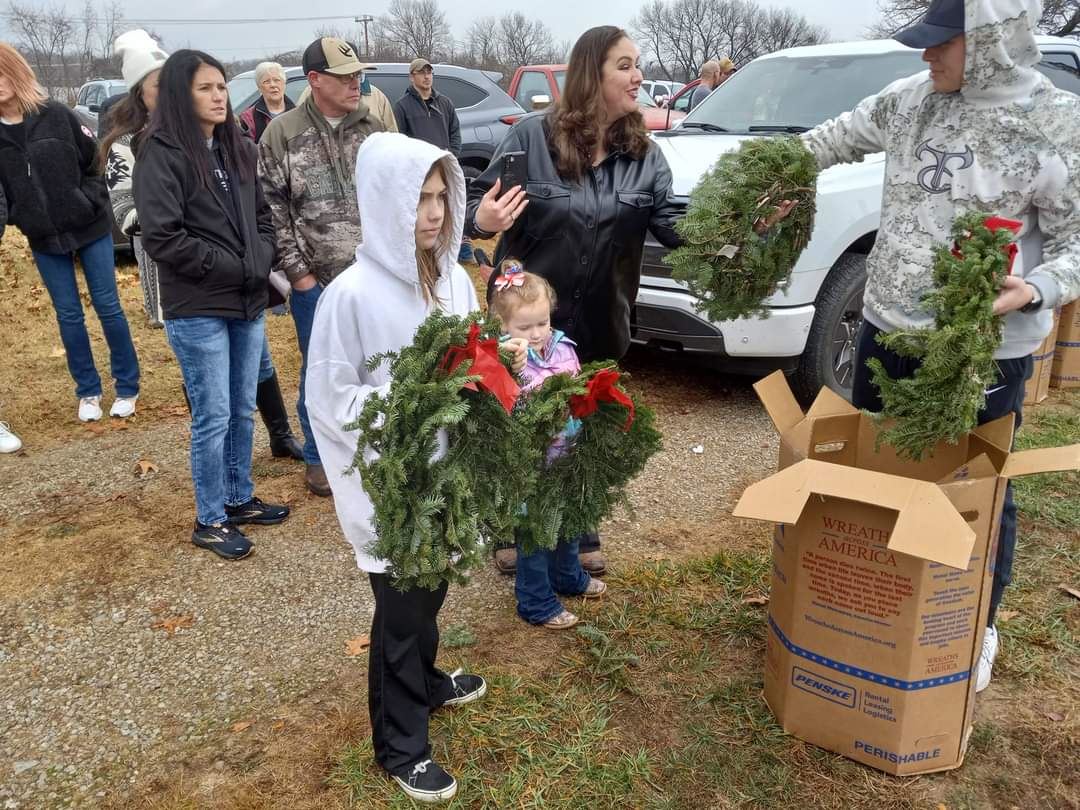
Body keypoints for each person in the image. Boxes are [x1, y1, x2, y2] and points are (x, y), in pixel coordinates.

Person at [784, 0, 1080, 691]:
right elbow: (831, 138)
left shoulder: (1056, 124)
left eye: (942, 44)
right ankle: (880, 607)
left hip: (982, 352)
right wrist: (775, 173)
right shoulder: (910, 101)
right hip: (886, 334)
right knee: (880, 474)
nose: (927, 56)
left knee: (975, 491)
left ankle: (976, 622)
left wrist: (1032, 290)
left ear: (993, 43)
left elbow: (1075, 244)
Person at [306, 132, 493, 804]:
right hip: (388, 486)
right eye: (419, 199)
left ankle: (428, 678)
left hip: (448, 477)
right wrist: (414, 398)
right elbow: (328, 401)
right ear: (386, 203)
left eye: (442, 196)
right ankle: (401, 744)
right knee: (401, 609)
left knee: (431, 589)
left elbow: (475, 356)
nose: (434, 212)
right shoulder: (349, 296)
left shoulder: (455, 279)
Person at [467, 25, 684, 576]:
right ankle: (514, 526)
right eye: (625, 65)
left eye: (638, 64)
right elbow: (476, 198)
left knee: (582, 426)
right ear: (593, 72)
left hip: (600, 319)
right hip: (527, 322)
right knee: (521, 426)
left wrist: (744, 228)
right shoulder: (531, 139)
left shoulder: (646, 157)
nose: (638, 76)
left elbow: (678, 228)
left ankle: (580, 521)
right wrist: (481, 219)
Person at [104, 34, 302, 461]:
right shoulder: (134, 143)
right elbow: (128, 209)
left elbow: (252, 207)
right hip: (179, 271)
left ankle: (279, 434)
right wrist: (170, 213)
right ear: (141, 92)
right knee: (205, 373)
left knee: (258, 358)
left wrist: (247, 252)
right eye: (158, 86)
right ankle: (221, 455)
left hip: (236, 270)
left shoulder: (214, 139)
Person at [134, 49, 290, 561]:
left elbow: (263, 215)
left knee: (243, 406)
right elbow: (164, 237)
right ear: (181, 93)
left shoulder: (236, 145)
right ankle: (210, 517)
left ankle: (238, 496)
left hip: (246, 301)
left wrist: (261, 257)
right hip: (198, 305)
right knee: (213, 413)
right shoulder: (161, 151)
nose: (218, 96)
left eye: (221, 86)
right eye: (205, 88)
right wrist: (235, 267)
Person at [258, 36, 385, 497]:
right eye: (344, 76)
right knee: (322, 368)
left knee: (377, 365)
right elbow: (271, 212)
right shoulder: (282, 134)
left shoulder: (372, 126)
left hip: (373, 278)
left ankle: (373, 447)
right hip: (316, 282)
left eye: (357, 74)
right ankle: (317, 455)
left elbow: (392, 196)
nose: (356, 82)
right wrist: (299, 276)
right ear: (315, 80)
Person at [0, 43, 140, 423]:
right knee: (68, 315)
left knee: (109, 307)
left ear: (15, 73)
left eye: (1, 73)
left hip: (89, 226)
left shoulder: (57, 115)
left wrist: (87, 199)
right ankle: (88, 391)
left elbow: (95, 160)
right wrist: (20, 216)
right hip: (43, 238)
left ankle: (127, 385)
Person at [490, 260, 608, 629]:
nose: (537, 333)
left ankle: (567, 576)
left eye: (542, 322)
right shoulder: (502, 361)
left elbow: (575, 388)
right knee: (536, 533)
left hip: (566, 453)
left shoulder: (562, 346)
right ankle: (536, 601)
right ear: (502, 326)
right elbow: (506, 404)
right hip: (529, 461)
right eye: (524, 327)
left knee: (569, 521)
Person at [394, 58, 473, 264]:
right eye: (421, 72)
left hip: (444, 168)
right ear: (412, 77)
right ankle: (424, 253)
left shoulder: (445, 103)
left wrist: (451, 157)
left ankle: (460, 250)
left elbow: (455, 132)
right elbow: (399, 140)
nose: (427, 76)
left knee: (450, 208)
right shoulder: (402, 107)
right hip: (419, 174)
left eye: (429, 72)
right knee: (424, 213)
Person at [238, 61, 295, 143]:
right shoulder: (248, 119)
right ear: (259, 87)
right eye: (266, 81)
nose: (273, 85)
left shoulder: (298, 114)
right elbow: (247, 152)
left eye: (277, 80)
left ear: (284, 84)